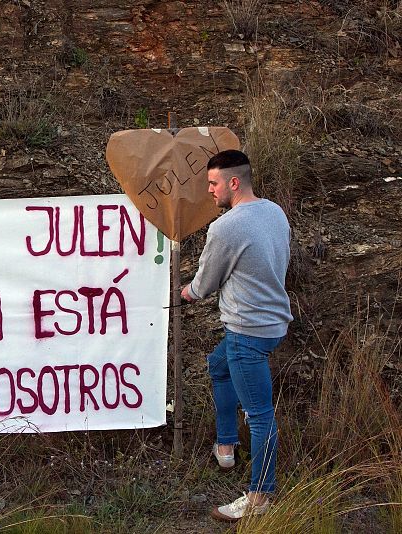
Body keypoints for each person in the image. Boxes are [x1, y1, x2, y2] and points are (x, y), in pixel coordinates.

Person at [181, 150, 293, 522]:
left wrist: (188, 292)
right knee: (218, 365)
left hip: (247, 330)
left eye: (213, 184)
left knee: (260, 417)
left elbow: (206, 281)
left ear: (233, 183)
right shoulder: (274, 212)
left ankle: (260, 498)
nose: (209, 191)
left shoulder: (226, 226)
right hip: (274, 323)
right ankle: (226, 444)